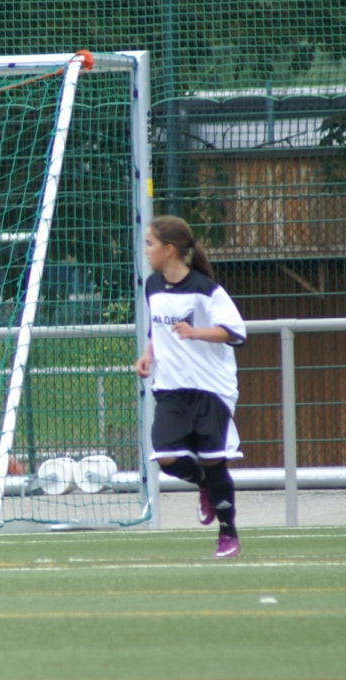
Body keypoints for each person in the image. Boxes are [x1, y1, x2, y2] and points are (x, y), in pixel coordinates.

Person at [135, 216, 247, 558]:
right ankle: (204, 486)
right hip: (171, 388)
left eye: (150, 244)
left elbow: (236, 332)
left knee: (214, 462)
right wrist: (148, 354)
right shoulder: (152, 285)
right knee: (165, 456)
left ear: (169, 249)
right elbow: (157, 328)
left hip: (210, 389)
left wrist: (195, 332)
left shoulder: (206, 290)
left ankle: (228, 534)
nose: (146, 251)